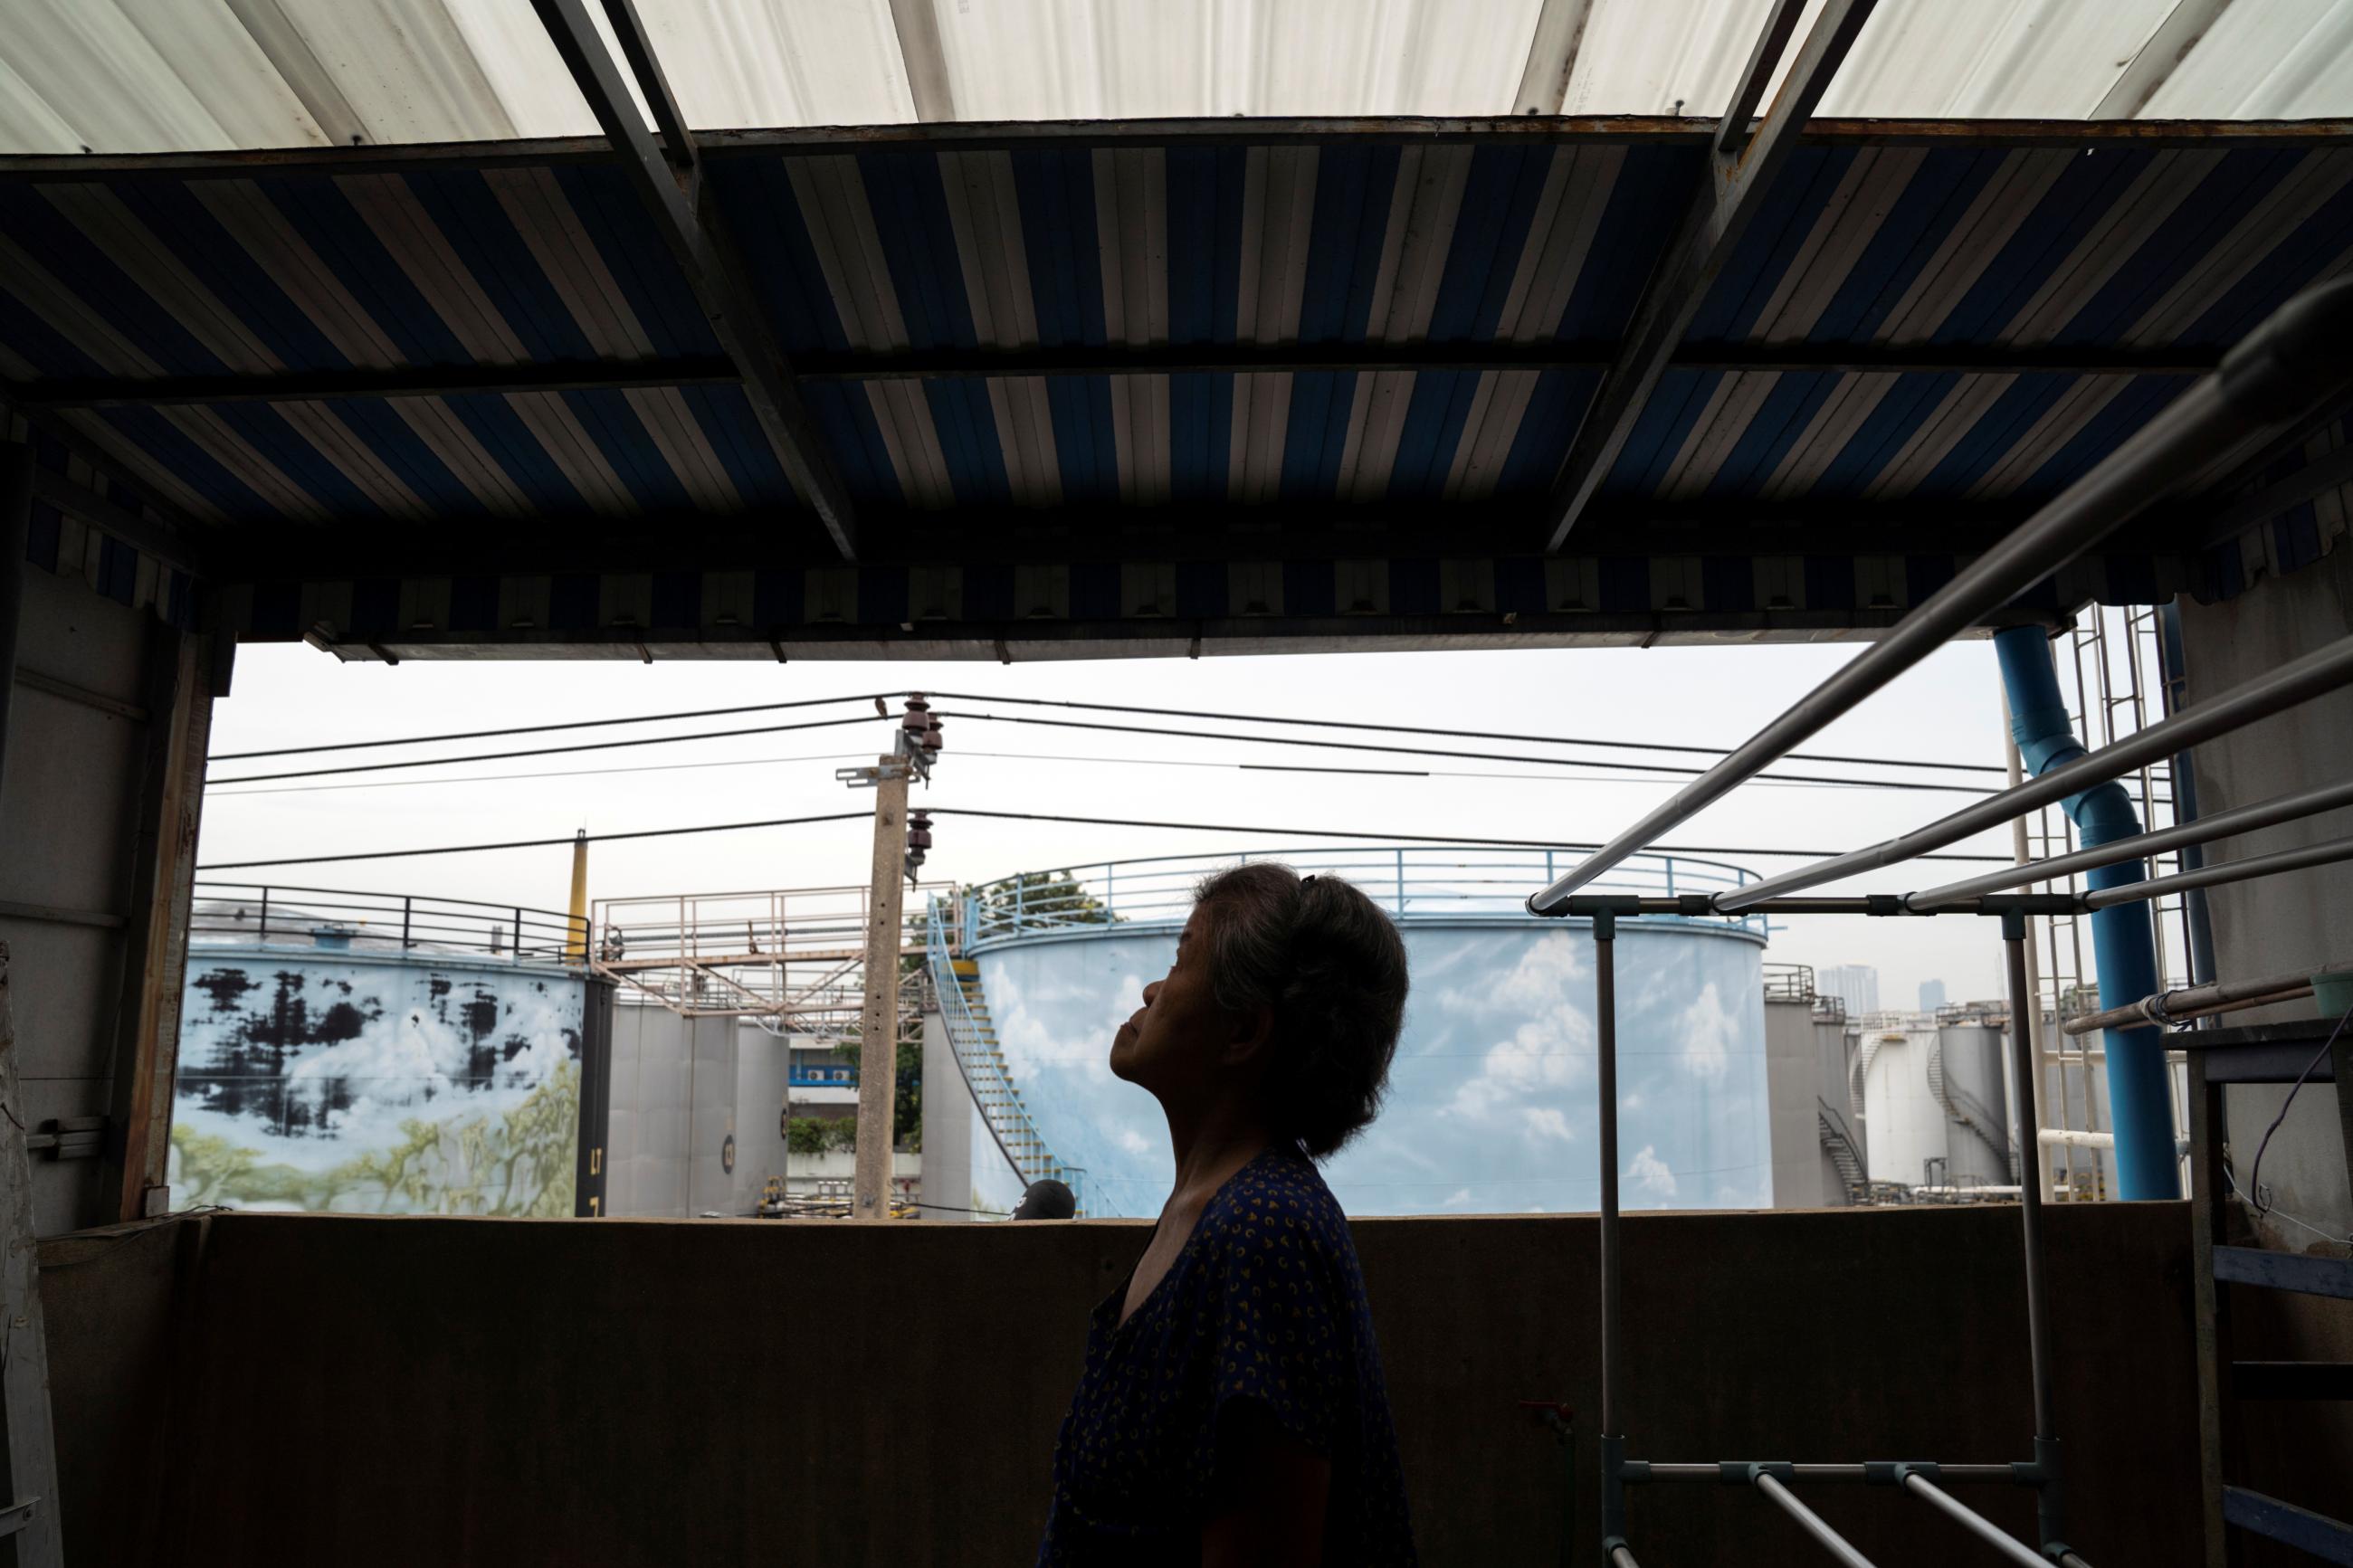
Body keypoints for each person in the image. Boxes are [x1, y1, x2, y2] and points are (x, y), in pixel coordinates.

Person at [1036, 863, 1416, 1566]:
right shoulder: (1207, 1210)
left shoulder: (1262, 1232)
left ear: (1242, 1032)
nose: (1152, 988)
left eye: (1181, 959)